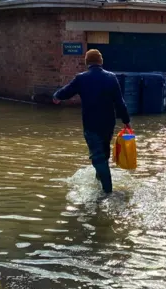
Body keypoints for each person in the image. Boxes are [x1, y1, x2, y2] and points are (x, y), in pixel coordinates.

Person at [53, 49, 131, 194]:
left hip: (91, 125)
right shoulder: (111, 78)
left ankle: (107, 192)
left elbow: (66, 91)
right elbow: (120, 103)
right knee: (104, 154)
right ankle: (99, 182)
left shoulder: (81, 78)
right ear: (101, 61)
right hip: (108, 124)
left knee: (98, 157)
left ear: (87, 62)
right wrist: (126, 121)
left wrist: (56, 96)